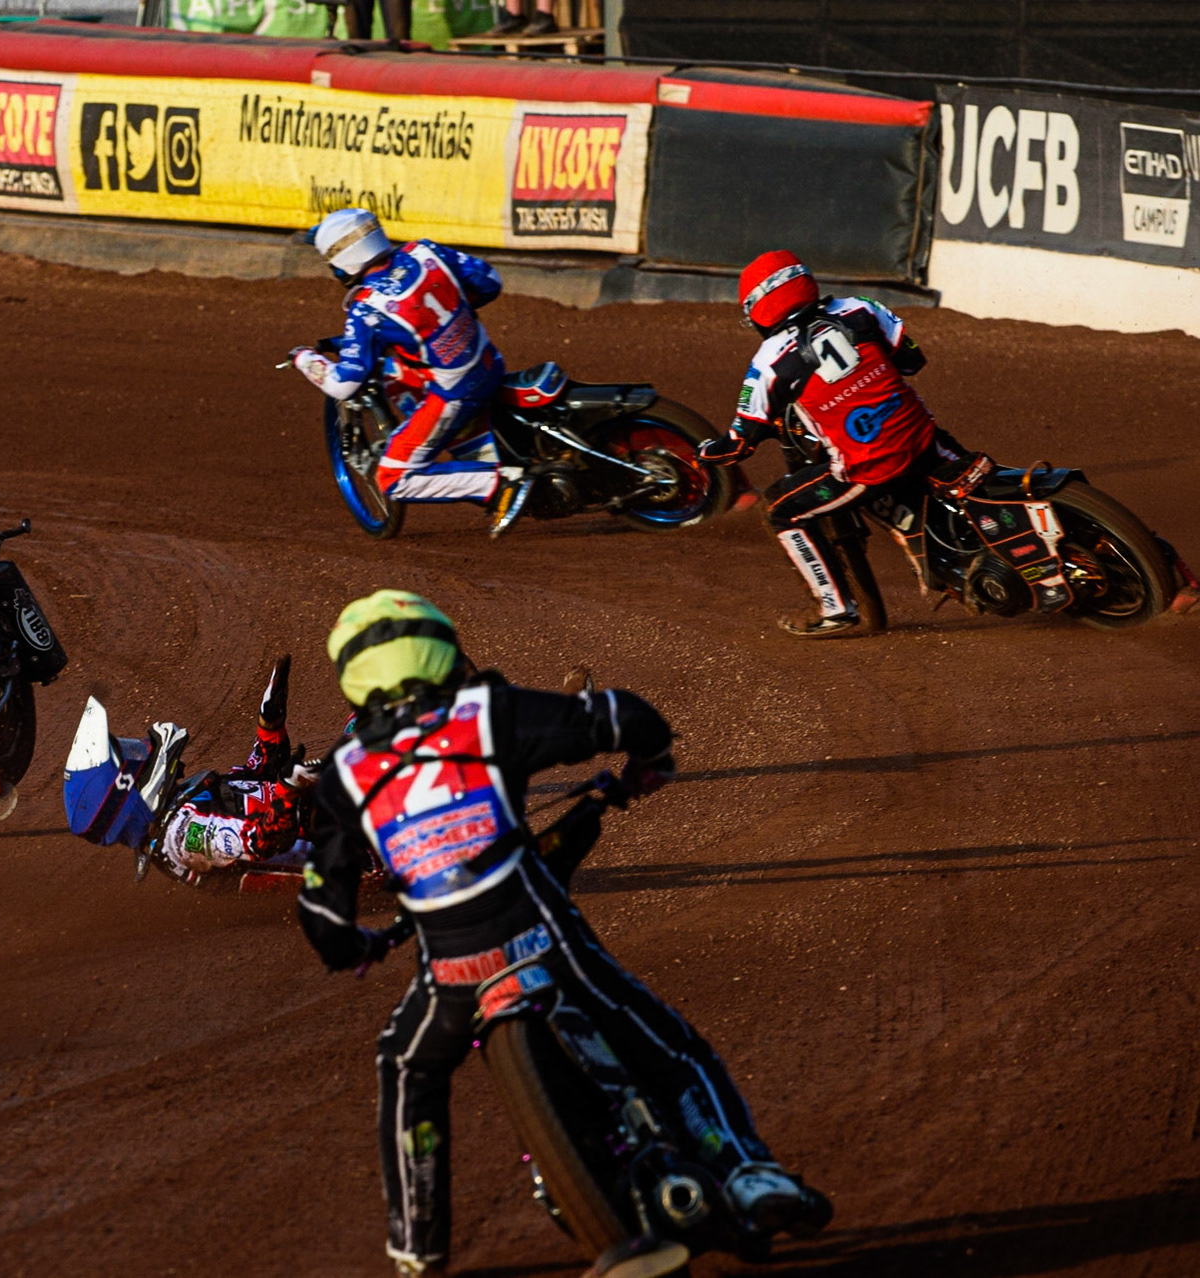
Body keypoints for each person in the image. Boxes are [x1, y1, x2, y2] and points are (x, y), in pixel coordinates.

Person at [297, 590, 829, 1278]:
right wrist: (651, 765)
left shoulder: (344, 773)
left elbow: (325, 919)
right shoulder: (484, 713)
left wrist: (356, 949)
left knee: (406, 1067)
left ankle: (415, 1250)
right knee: (670, 1046)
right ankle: (751, 1173)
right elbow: (626, 717)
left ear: (353, 678)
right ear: (443, 651)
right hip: (540, 935)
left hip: (451, 972)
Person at [697, 250, 1001, 637]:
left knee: (779, 509)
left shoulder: (769, 361)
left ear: (759, 309)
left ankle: (834, 607)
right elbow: (912, 360)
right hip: (923, 437)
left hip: (869, 468)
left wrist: (704, 451)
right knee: (980, 481)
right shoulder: (860, 308)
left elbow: (739, 444)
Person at [288, 208, 532, 537]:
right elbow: (488, 282)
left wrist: (303, 358)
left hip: (457, 393)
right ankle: (475, 444)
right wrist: (447, 320)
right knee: (397, 374)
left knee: (392, 478)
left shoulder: (367, 308)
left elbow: (343, 384)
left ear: (343, 260)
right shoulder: (424, 250)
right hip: (488, 360)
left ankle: (499, 483)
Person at [63, 657, 322, 883]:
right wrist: (289, 790)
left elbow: (255, 781)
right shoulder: (184, 836)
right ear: (126, 791)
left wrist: (269, 726)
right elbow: (262, 842)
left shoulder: (181, 809)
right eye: (130, 755)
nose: (140, 749)